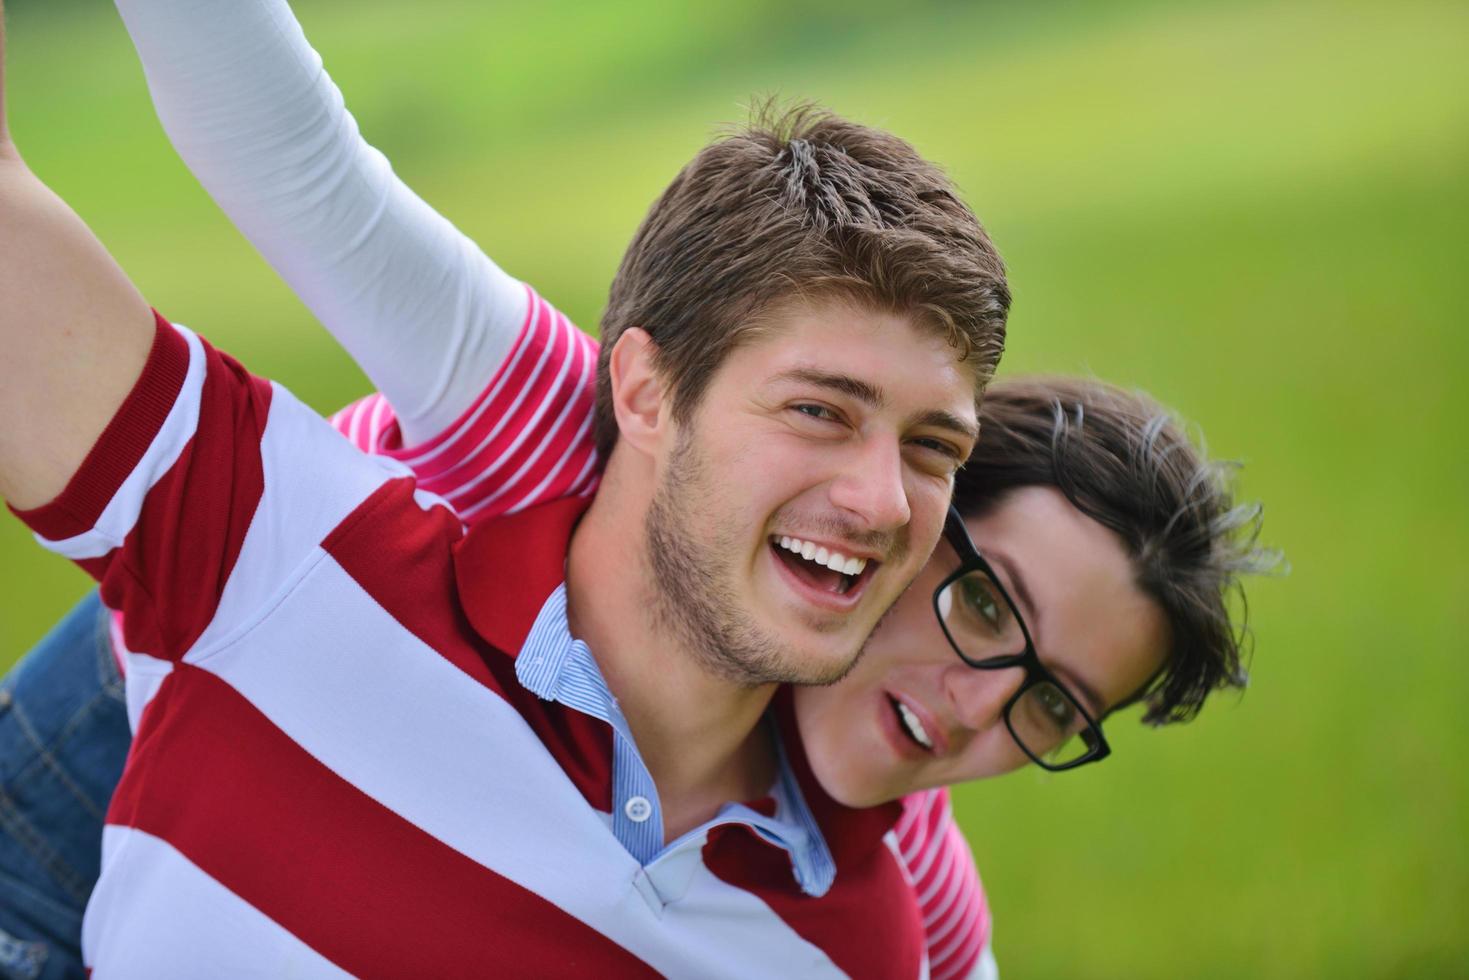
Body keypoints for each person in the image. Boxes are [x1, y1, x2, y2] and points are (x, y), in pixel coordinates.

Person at [0, 3, 1276, 979]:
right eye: (989, 611)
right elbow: (295, 167)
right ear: (646, 397)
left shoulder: (888, 885)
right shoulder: (516, 428)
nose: (970, 710)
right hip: (163, 683)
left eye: (1052, 704)